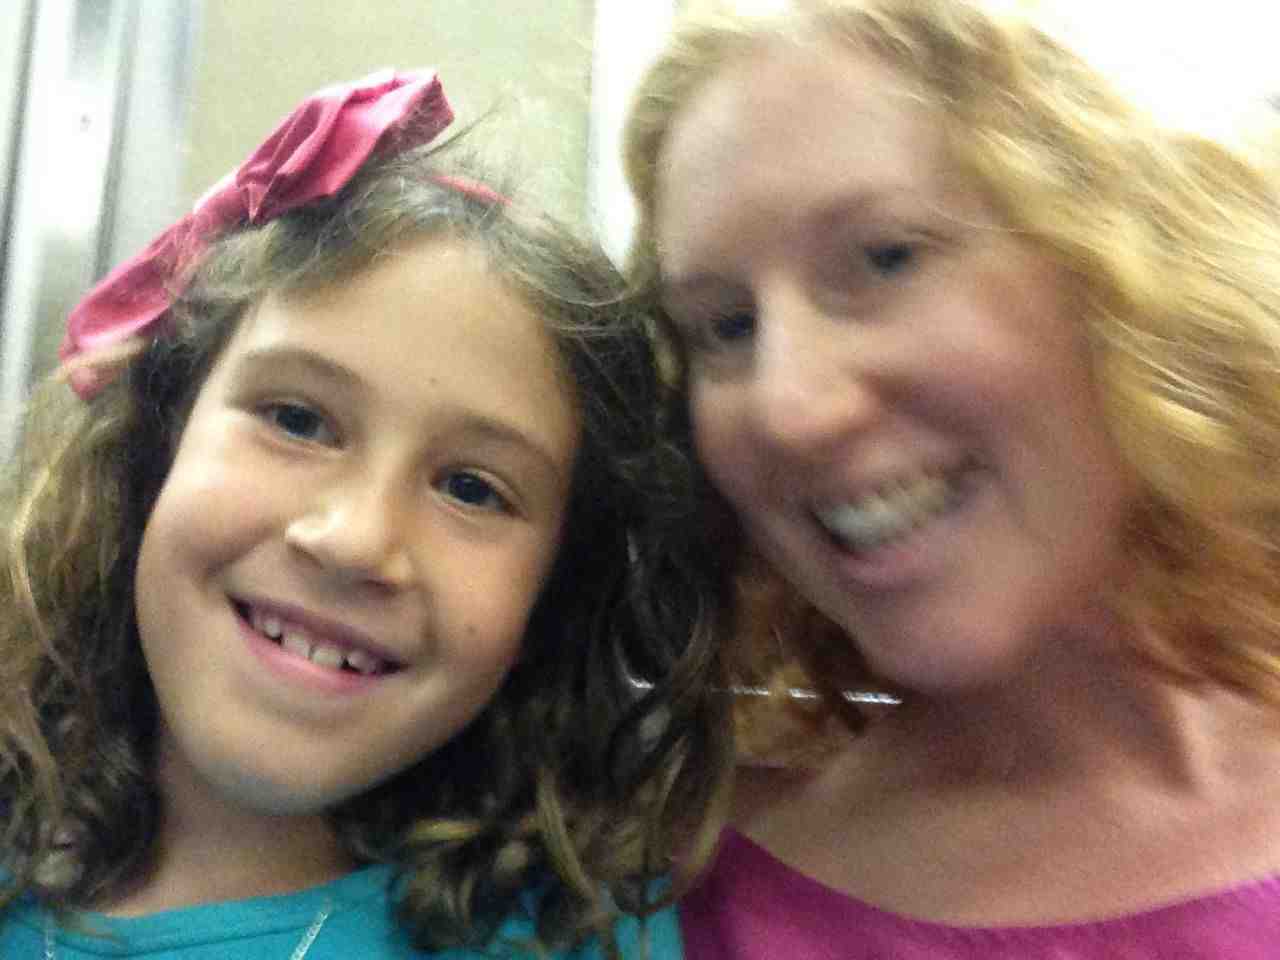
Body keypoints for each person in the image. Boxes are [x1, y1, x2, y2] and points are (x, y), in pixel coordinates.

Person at [0, 69, 730, 959]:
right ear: (160, 443)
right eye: (297, 420)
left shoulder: (571, 940)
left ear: (554, 596)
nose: (354, 541)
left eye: (472, 489)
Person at [622, 0, 1280, 956]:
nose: (789, 408)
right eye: (725, 326)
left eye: (886, 258)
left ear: (1122, 262)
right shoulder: (687, 910)